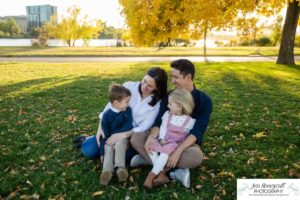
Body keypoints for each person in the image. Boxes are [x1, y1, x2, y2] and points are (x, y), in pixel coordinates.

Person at [130, 59, 213, 188]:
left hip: (185, 145)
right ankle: (171, 172)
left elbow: (197, 132)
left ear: (188, 77)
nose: (172, 81)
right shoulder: (169, 96)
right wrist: (151, 138)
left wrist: (177, 152)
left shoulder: (204, 101)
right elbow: (159, 122)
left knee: (196, 156)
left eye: (176, 77)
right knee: (136, 137)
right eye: (172, 77)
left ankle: (150, 160)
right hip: (163, 140)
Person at [76, 67, 168, 165]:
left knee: (122, 157)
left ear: (157, 87)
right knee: (89, 150)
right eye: (144, 81)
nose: (144, 86)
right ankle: (89, 140)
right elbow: (109, 108)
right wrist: (100, 127)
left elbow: (145, 125)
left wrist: (124, 135)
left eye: (150, 86)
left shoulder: (158, 102)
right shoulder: (128, 86)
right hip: (112, 128)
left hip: (130, 135)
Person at [143, 89, 195, 189]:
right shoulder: (167, 115)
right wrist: (161, 138)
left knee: (164, 153)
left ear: (179, 106)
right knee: (151, 146)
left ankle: (150, 177)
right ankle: (162, 174)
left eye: (170, 104)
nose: (168, 106)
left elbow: (188, 136)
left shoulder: (189, 121)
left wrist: (181, 147)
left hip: (175, 144)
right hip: (164, 140)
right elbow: (163, 128)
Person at [99, 84, 133, 185]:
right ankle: (107, 171)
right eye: (126, 102)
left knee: (119, 144)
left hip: (123, 138)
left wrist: (116, 137)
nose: (128, 104)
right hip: (110, 139)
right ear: (116, 103)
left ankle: (120, 169)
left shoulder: (128, 111)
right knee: (108, 147)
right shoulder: (106, 116)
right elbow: (104, 135)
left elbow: (128, 126)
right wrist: (101, 152)